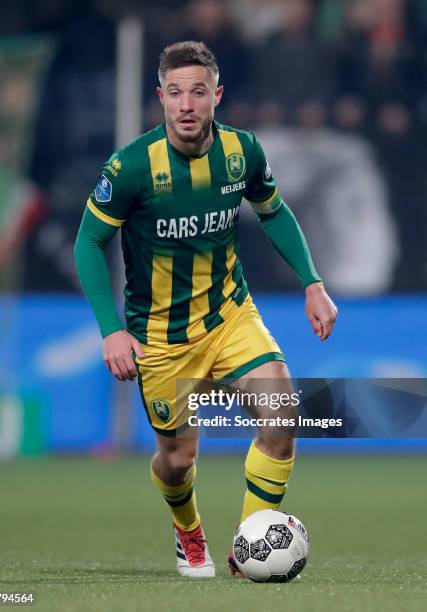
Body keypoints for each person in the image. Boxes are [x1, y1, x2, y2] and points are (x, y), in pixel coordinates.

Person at [74, 41, 337, 578]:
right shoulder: (130, 168)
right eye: (175, 93)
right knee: (178, 461)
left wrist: (312, 282)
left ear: (216, 95)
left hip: (230, 315)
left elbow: (275, 212)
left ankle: (247, 551)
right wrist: (111, 330)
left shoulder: (242, 153)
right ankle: (188, 532)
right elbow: (87, 243)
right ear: (161, 99)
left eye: (198, 92)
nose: (187, 104)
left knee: (283, 420)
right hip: (162, 338)